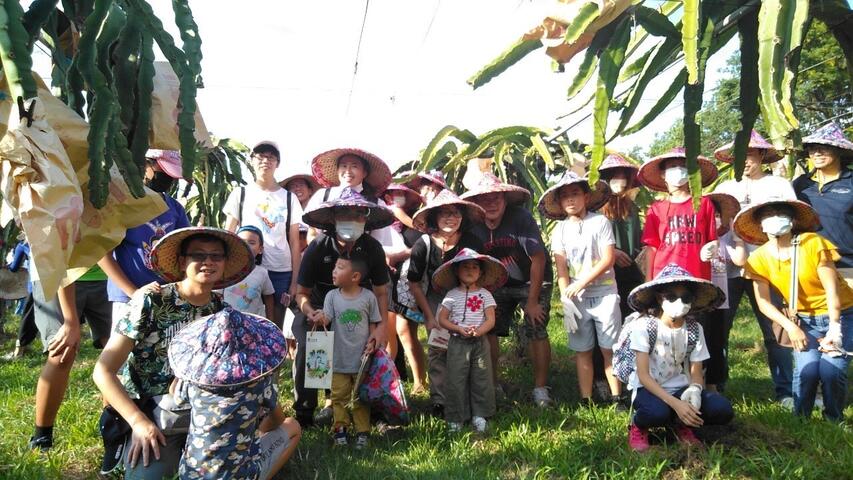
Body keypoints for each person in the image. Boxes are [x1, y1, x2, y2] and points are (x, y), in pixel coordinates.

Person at [92, 227, 252, 478]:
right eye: (198, 255)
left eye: (216, 256)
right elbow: (103, 372)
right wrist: (138, 422)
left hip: (203, 413)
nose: (208, 261)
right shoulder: (151, 302)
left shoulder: (222, 312)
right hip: (152, 414)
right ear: (182, 261)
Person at [735, 198, 853, 422]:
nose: (775, 218)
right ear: (760, 224)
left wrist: (835, 329)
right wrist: (790, 327)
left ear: (792, 221)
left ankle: (834, 419)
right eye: (768, 215)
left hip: (842, 315)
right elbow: (763, 302)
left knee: (831, 371)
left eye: (781, 213)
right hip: (804, 320)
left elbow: (832, 290)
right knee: (807, 371)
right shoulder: (758, 259)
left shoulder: (813, 243)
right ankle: (801, 420)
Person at [293, 188, 393, 428]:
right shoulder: (318, 247)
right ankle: (305, 412)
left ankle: (374, 410)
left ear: (366, 219)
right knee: (308, 347)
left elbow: (381, 292)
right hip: (320, 308)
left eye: (358, 214)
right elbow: (301, 293)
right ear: (333, 218)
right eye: (345, 214)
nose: (352, 219)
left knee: (371, 349)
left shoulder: (372, 248)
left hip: (359, 307)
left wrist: (381, 327)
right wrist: (309, 311)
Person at [168, 307, 301, 479]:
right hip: (240, 475)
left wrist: (187, 369)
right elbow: (278, 419)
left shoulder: (193, 384)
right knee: (293, 426)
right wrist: (259, 432)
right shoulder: (259, 383)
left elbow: (174, 393)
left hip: (191, 475)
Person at [714, 132, 797, 405]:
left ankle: (786, 391)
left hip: (769, 266)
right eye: (740, 155)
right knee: (720, 329)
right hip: (728, 267)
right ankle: (717, 387)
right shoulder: (725, 188)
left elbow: (794, 221)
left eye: (749, 154)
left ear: (761, 155)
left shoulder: (779, 185)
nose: (745, 160)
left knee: (775, 328)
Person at [462, 173, 554, 407]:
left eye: (496, 198)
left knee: (536, 325)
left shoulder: (521, 218)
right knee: (489, 328)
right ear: (476, 203)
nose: (491, 204)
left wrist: (532, 301)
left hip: (531, 280)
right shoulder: (473, 225)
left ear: (505, 200)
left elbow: (538, 259)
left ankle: (540, 388)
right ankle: (493, 384)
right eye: (484, 199)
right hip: (496, 283)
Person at [624, 264, 734, 452]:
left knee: (721, 409)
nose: (679, 302)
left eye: (686, 298)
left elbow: (696, 371)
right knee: (656, 413)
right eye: (672, 297)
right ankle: (638, 426)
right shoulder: (644, 327)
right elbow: (643, 375)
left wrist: (695, 390)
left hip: (680, 387)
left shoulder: (694, 329)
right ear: (659, 298)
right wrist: (676, 404)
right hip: (648, 388)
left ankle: (681, 424)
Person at [538, 172, 624, 407]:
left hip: (604, 294)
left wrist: (580, 283)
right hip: (577, 298)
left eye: (575, 193)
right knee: (582, 350)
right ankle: (586, 399)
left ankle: (618, 397)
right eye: (565, 196)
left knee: (609, 348)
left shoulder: (600, 222)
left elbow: (607, 259)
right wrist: (566, 298)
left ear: (586, 197)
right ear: (559, 202)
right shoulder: (560, 230)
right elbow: (561, 268)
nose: (570, 199)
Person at [407, 189, 485, 415]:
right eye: (444, 213)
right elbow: (414, 283)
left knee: (467, 348)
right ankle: (439, 400)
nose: (451, 218)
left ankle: (468, 396)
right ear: (435, 217)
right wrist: (429, 316)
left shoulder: (471, 242)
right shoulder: (423, 244)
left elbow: (481, 273)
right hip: (435, 300)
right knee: (438, 349)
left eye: (455, 213)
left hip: (466, 298)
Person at [99, 149, 190, 323]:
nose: (167, 179)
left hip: (166, 298)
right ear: (143, 165)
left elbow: (186, 251)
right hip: (127, 298)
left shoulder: (175, 208)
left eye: (171, 175)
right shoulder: (122, 205)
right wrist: (134, 293)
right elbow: (102, 255)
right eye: (163, 172)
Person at [223, 141, 303, 328]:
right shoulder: (240, 193)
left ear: (277, 163)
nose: (265, 161)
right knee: (242, 320)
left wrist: (295, 282)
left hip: (280, 270)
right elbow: (228, 235)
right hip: (246, 268)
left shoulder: (289, 198)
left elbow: (294, 242)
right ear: (252, 160)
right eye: (260, 156)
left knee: (275, 325)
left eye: (271, 157)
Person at [432, 248, 506, 433]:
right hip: (457, 343)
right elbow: (442, 319)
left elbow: (490, 319)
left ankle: (480, 414)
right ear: (457, 271)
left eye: (474, 267)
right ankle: (456, 416)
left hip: (480, 343)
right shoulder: (451, 295)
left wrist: (479, 331)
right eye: (465, 267)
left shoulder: (485, 295)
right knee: (456, 379)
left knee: (482, 377)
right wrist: (458, 329)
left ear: (481, 272)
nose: (470, 270)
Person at [321, 254, 383, 448]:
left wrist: (373, 342)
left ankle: (362, 431)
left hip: (361, 361)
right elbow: (326, 318)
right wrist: (317, 317)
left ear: (355, 276)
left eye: (339, 268)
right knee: (338, 397)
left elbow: (373, 324)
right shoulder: (332, 296)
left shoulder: (368, 297)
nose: (334, 271)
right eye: (334, 267)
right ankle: (340, 429)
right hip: (338, 359)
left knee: (360, 398)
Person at [638, 147, 719, 280]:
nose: (679, 169)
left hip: (697, 273)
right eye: (673, 166)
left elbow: (713, 239)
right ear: (663, 174)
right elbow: (651, 247)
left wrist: (712, 248)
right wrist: (648, 279)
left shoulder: (704, 203)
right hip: (664, 274)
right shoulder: (656, 209)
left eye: (683, 166)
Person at [793, 122, 853, 290]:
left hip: (847, 266)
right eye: (812, 148)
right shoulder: (800, 184)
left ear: (839, 150)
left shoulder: (850, 182)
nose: (817, 153)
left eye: (824, 147)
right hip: (809, 265)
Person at [383, 183, 428, 394]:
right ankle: (390, 382)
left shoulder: (413, 224)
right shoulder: (385, 215)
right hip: (388, 278)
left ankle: (419, 381)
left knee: (405, 329)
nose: (397, 197)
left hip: (406, 280)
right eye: (394, 194)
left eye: (401, 194)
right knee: (390, 331)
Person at [700, 193, 746, 392]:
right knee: (700, 340)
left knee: (716, 341)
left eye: (718, 215)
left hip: (719, 300)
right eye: (712, 215)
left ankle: (713, 385)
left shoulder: (724, 242)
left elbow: (740, 260)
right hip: (700, 300)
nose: (715, 219)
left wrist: (738, 239)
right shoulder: (698, 240)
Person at [222, 226, 275, 319]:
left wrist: (270, 322)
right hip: (228, 321)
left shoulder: (262, 273)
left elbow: (269, 297)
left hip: (254, 323)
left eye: (252, 243)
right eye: (241, 242)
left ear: (260, 249)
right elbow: (217, 296)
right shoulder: (225, 270)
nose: (246, 245)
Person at [3, 238, 35, 360]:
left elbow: (14, 267)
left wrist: (8, 267)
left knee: (28, 318)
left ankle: (19, 351)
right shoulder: (51, 238)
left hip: (35, 286)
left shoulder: (23, 244)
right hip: (56, 284)